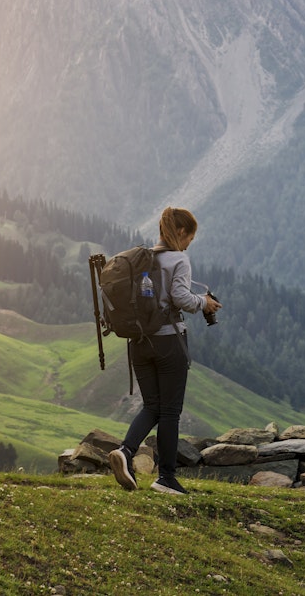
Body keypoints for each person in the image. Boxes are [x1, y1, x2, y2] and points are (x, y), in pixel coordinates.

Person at [108, 207, 221, 495]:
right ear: (181, 232)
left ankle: (125, 451)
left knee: (152, 406)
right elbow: (180, 297)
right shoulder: (179, 259)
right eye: (189, 239)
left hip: (139, 343)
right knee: (170, 411)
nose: (188, 245)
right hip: (168, 342)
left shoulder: (144, 259)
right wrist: (203, 303)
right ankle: (166, 478)